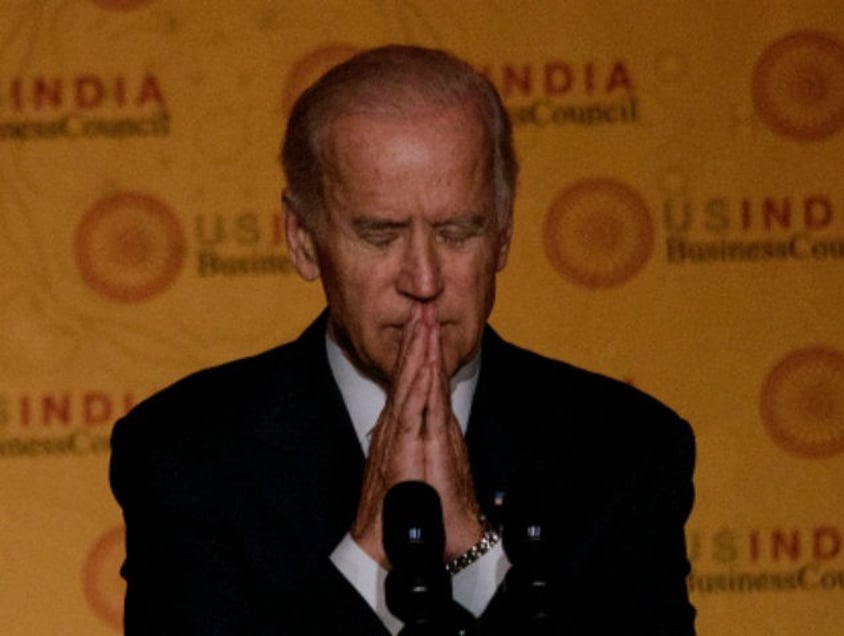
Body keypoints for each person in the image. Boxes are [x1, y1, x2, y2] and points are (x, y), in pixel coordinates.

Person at [110, 44, 696, 635]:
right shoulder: (186, 455)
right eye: (381, 235)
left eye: (457, 232)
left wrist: (476, 558)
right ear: (303, 239)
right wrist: (368, 559)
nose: (424, 280)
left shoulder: (626, 451)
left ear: (505, 232)